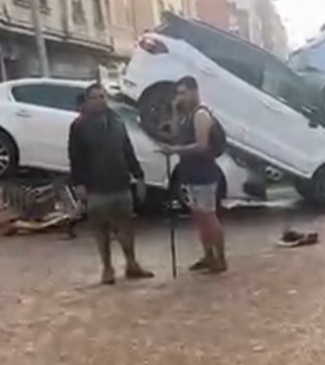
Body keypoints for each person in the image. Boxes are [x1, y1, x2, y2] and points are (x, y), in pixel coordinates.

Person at [67, 83, 152, 285]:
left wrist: (139, 176)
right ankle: (107, 268)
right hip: (96, 186)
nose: (101, 100)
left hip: (120, 183)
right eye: (95, 97)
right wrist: (78, 184)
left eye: (103, 96)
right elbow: (75, 157)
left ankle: (132, 264)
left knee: (126, 226)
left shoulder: (117, 121)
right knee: (101, 229)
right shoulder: (79, 126)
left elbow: (127, 150)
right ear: (86, 101)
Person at [160, 76, 228, 274]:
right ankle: (208, 255)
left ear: (193, 91)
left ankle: (220, 258)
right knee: (199, 217)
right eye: (178, 93)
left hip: (204, 172)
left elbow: (201, 145)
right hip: (190, 172)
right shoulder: (186, 115)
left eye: (183, 93)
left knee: (208, 216)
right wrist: (174, 110)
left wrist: (175, 150)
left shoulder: (201, 115)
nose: (180, 97)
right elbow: (174, 134)